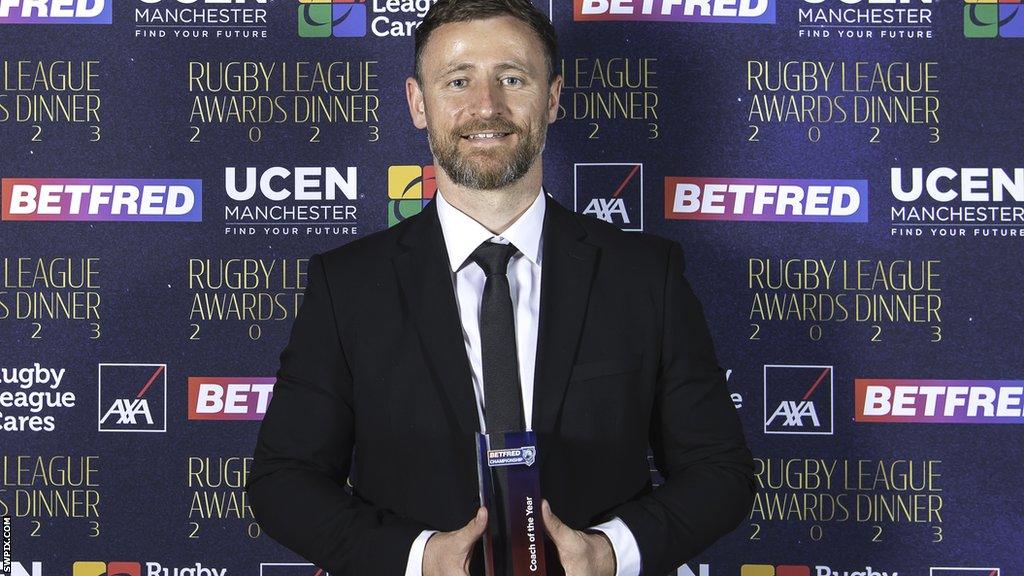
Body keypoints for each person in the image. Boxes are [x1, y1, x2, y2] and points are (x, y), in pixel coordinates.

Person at [245, 1, 755, 575]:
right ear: (418, 103)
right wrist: (418, 558)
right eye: (458, 81)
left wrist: (610, 552)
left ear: (554, 97)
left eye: (512, 78)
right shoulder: (347, 285)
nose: (485, 106)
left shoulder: (644, 275)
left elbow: (720, 472)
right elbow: (284, 480)